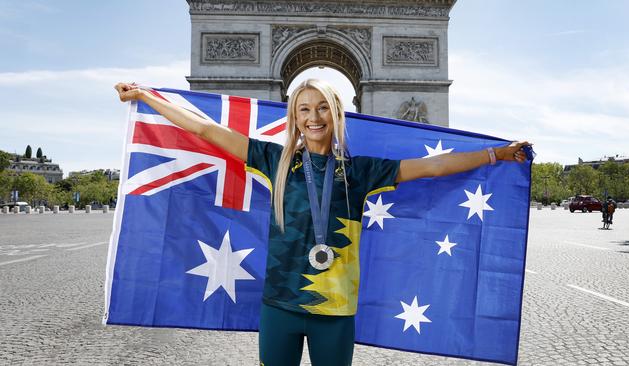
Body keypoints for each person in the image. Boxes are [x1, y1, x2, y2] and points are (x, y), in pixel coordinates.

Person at [114, 79, 530, 366]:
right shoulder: (274, 161)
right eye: (304, 109)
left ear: (336, 114)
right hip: (280, 306)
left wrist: (495, 155)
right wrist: (147, 97)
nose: (314, 117)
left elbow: (432, 166)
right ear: (294, 116)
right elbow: (206, 128)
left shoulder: (361, 172)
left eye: (322, 108)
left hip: (335, 312)